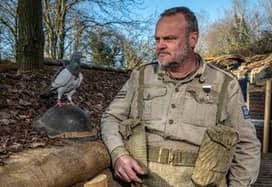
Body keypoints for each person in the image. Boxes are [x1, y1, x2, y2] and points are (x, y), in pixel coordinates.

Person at [101, 6, 260, 187]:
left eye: (169, 39)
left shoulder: (224, 84)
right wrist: (118, 154)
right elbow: (111, 117)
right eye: (157, 39)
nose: (160, 45)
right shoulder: (141, 76)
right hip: (141, 182)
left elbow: (247, 145)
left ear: (193, 39)